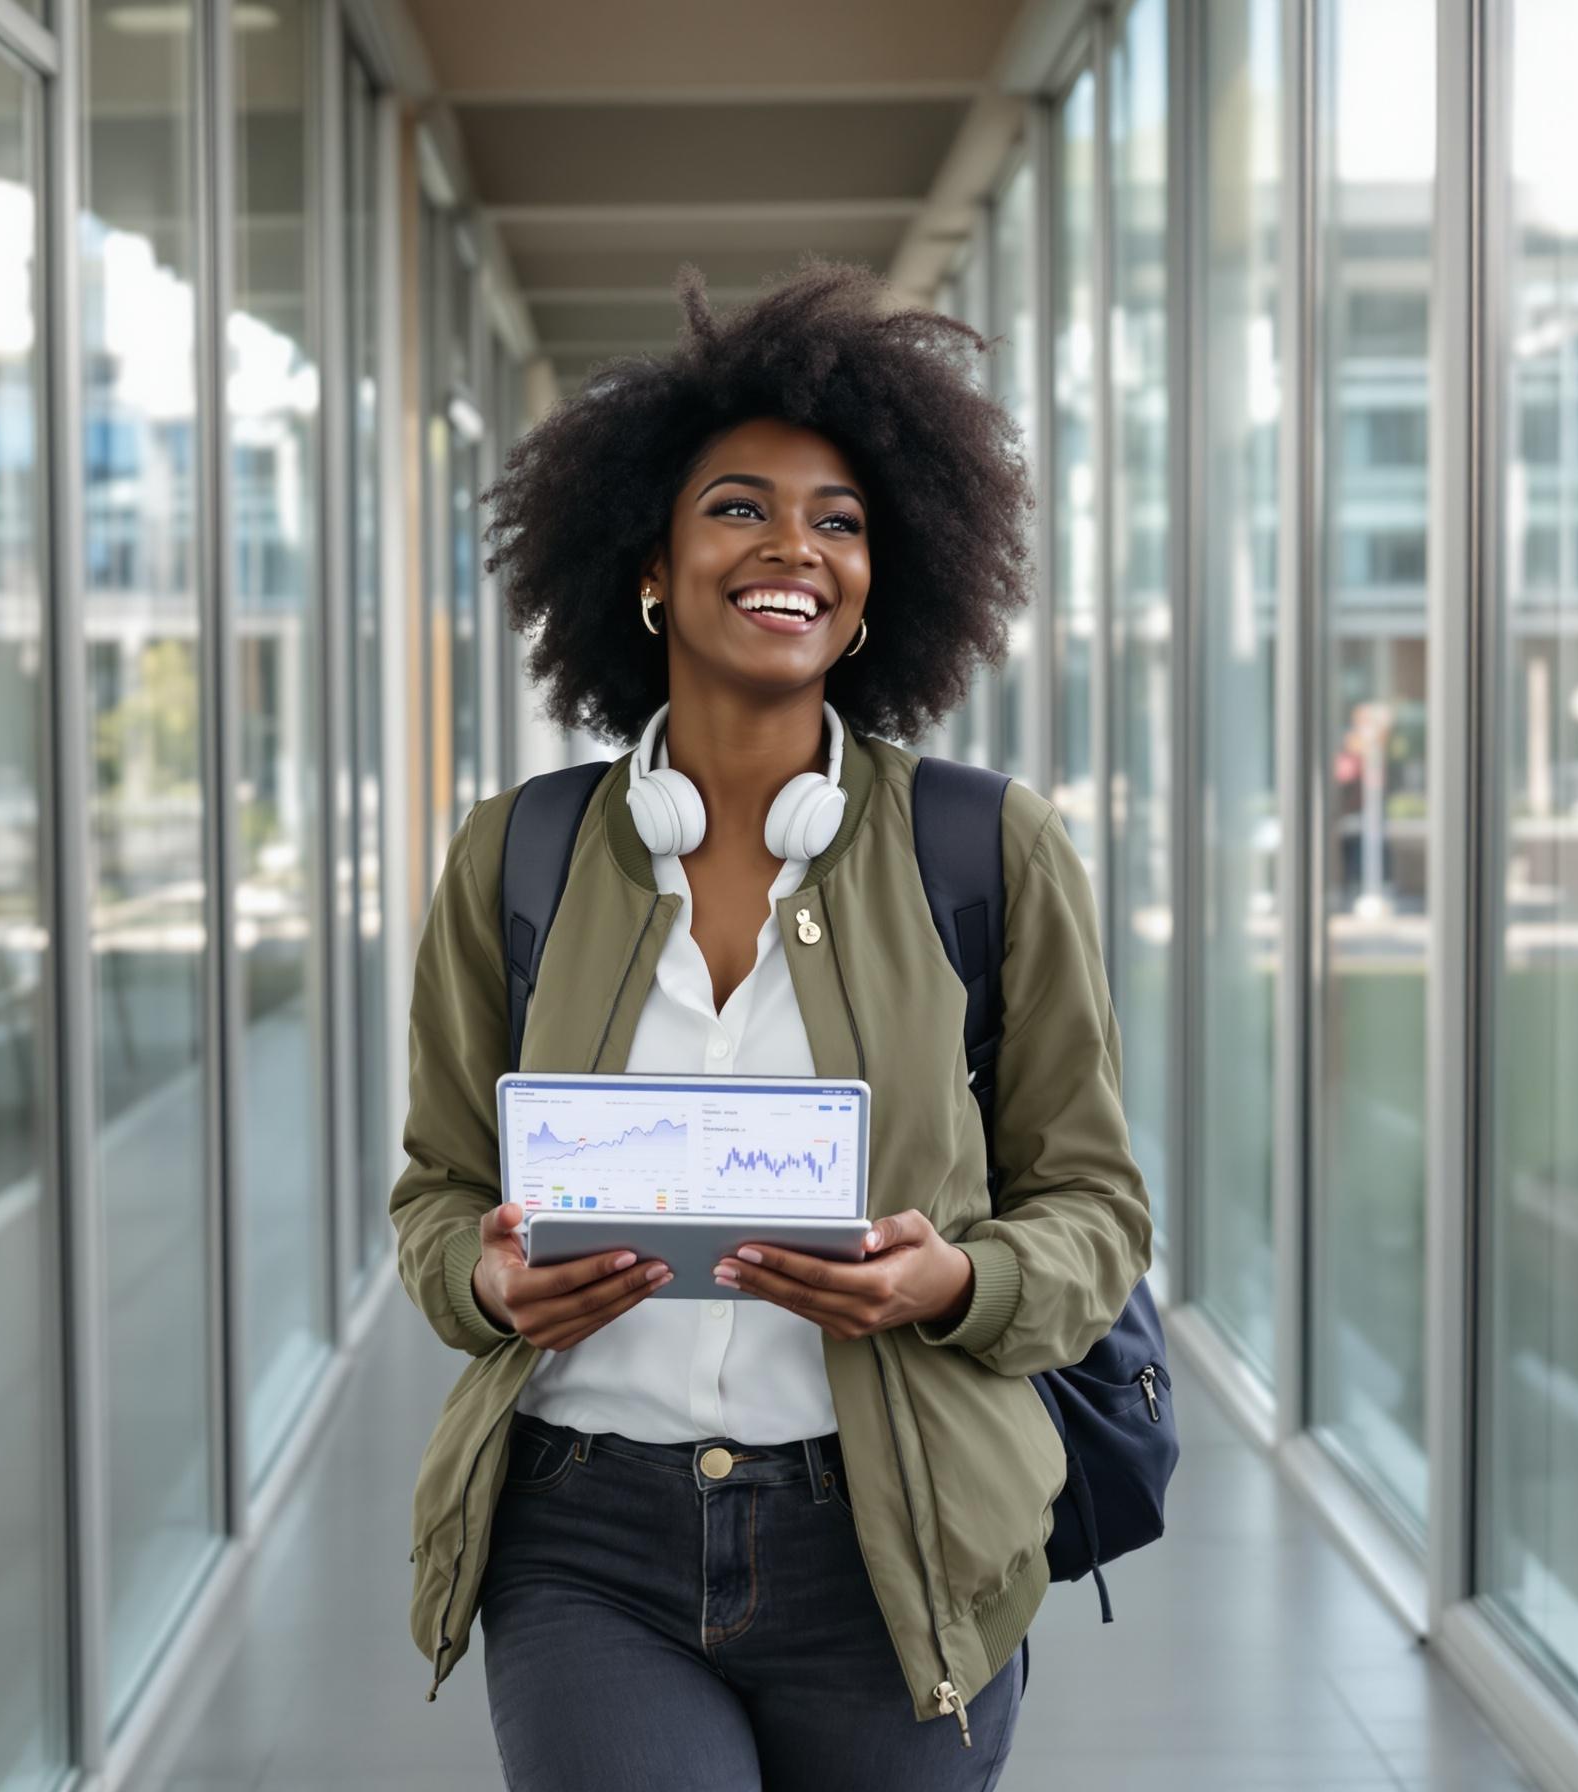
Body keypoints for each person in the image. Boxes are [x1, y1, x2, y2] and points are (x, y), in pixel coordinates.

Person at [389, 258, 1152, 1792]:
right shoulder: (517, 856)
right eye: (740, 505)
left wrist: (956, 1280)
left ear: (882, 581)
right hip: (586, 1535)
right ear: (652, 563)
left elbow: (1097, 1212)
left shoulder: (986, 851)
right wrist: (480, 1279)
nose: (795, 544)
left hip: (898, 1536)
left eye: (842, 519)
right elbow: (437, 1194)